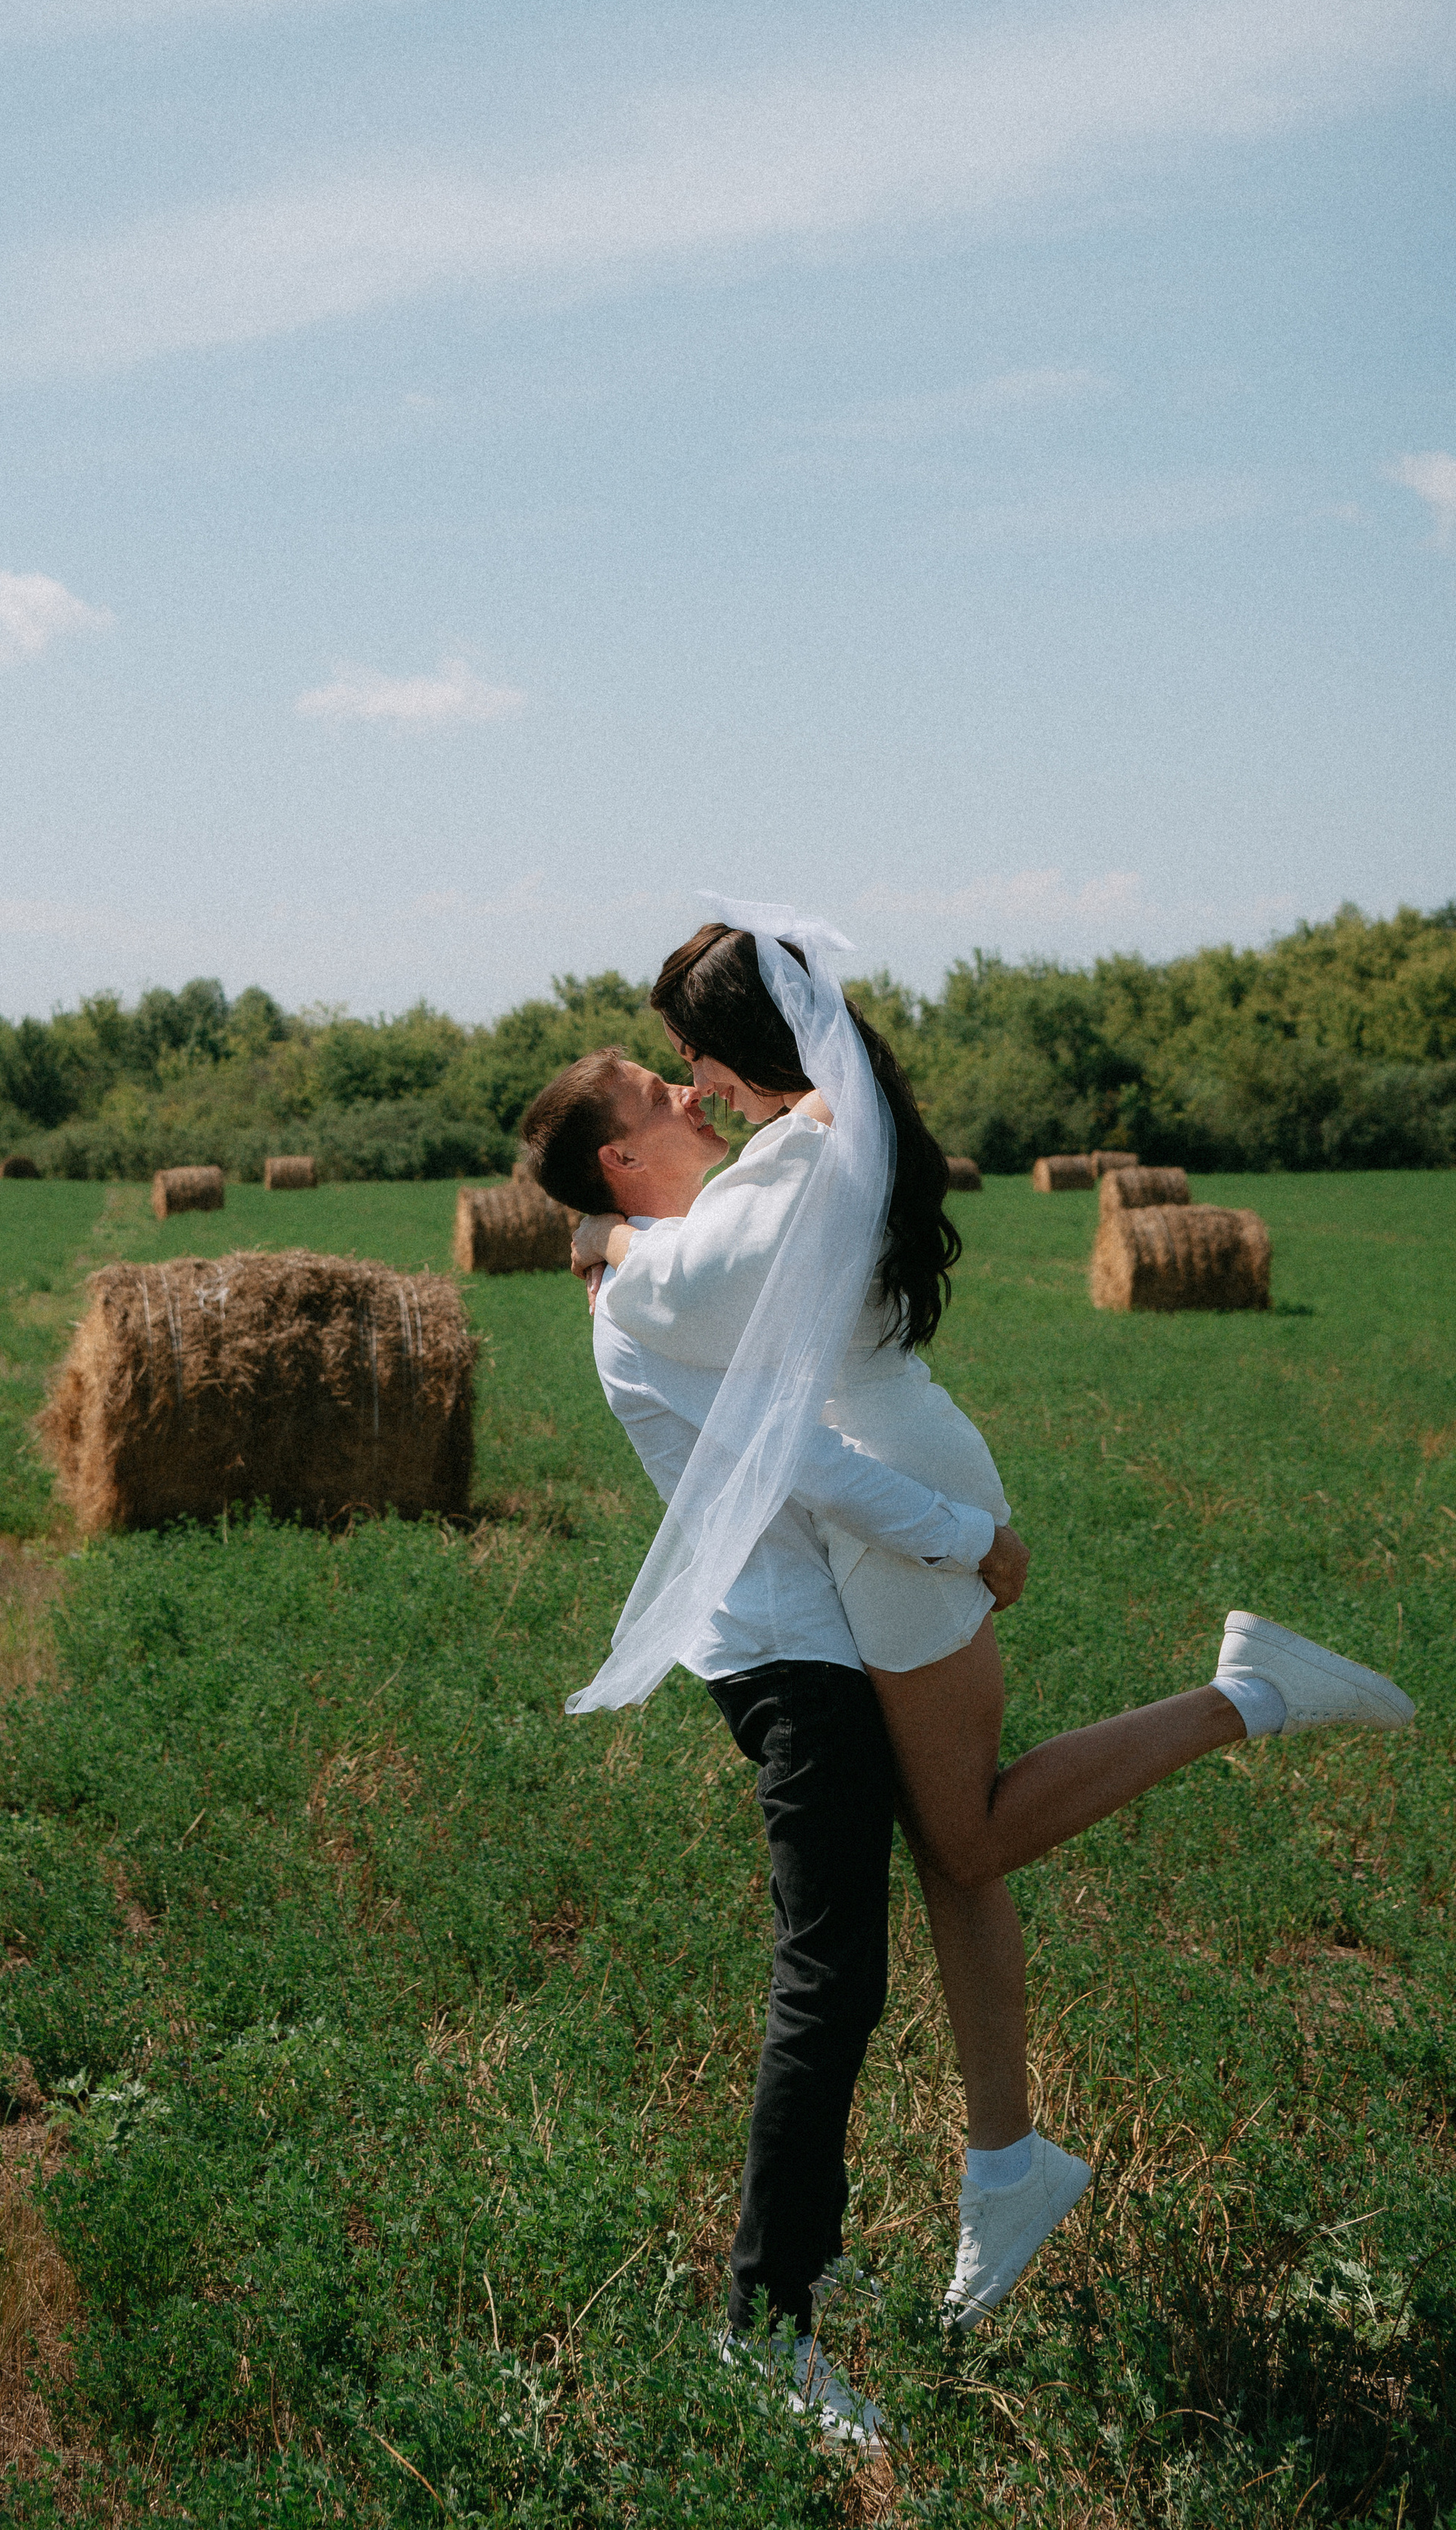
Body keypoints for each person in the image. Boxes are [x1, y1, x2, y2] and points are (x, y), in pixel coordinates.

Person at [527, 911, 1414, 2356]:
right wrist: (619, 1218)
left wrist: (606, 1232)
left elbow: (673, 1287)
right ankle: (1004, 2164)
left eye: (686, 1061)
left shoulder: (776, 1184)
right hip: (897, 1487)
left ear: (735, 1058)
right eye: (657, 1086)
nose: (683, 1087)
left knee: (970, 1839)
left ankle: (1241, 1694)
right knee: (953, 1852)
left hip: (894, 1512)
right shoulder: (833, 1129)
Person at [519, 1048, 1021, 2442]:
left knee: (850, 1967)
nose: (687, 1095)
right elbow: (792, 1453)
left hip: (811, 1637)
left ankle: (806, 2256)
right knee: (832, 1978)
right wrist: (969, 1539)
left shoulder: (667, 1252)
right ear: (619, 1157)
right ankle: (767, 2319)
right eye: (650, 1090)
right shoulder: (645, 1295)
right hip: (787, 1656)